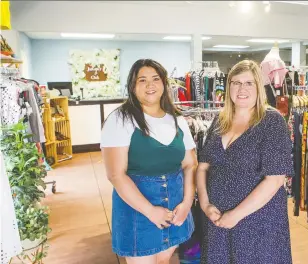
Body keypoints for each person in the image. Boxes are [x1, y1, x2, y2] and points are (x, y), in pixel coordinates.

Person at [196, 60, 294, 264]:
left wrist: (235, 215)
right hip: (218, 221)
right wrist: (205, 205)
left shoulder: (272, 122)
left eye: (249, 83)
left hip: (257, 223)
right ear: (228, 86)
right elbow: (203, 166)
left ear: (259, 87)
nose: (242, 89)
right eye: (236, 82)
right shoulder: (220, 121)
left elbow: (274, 180)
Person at [101, 59, 197, 264]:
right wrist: (150, 211)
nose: (150, 85)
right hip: (138, 210)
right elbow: (116, 174)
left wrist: (187, 202)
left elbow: (190, 164)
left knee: (164, 261)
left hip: (176, 207)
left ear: (164, 83)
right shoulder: (120, 119)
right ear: (133, 87)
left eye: (155, 79)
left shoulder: (178, 120)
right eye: (142, 80)